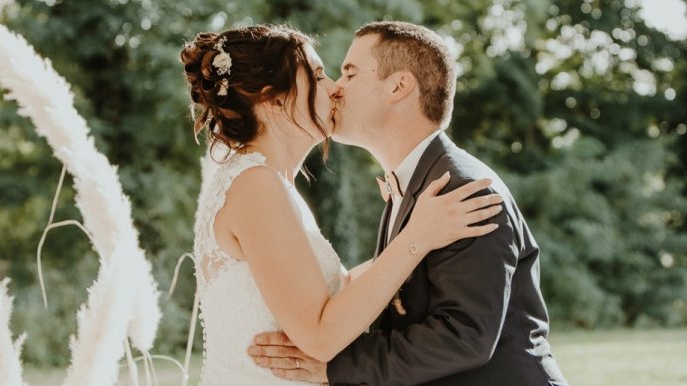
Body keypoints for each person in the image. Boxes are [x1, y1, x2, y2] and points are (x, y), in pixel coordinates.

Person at [180, 24, 503, 386]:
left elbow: (334, 290)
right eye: (318, 75)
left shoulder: (271, 183)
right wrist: (417, 236)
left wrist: (414, 225)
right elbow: (320, 336)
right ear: (273, 100)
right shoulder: (256, 185)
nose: (334, 87)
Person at [249, 21, 569, 386]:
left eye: (350, 74)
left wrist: (337, 366)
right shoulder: (414, 183)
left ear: (398, 86)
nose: (336, 89)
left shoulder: (462, 190)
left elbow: (465, 336)